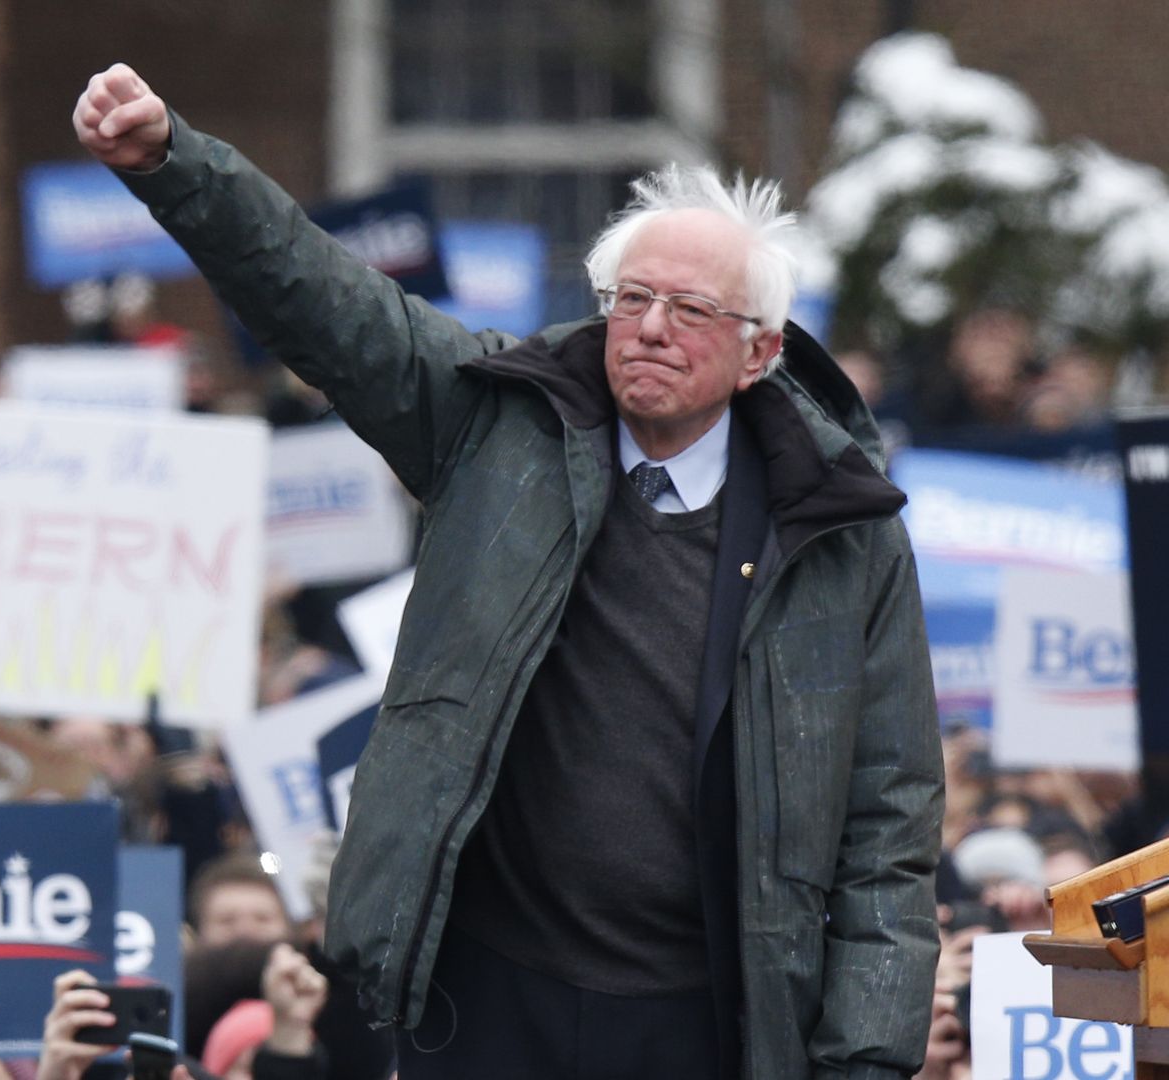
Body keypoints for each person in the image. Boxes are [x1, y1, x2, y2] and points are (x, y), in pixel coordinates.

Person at [73, 64, 942, 1079]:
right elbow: (325, 299)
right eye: (634, 298)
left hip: (708, 1017)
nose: (652, 327)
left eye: (690, 309)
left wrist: (865, 1063)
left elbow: (889, 829)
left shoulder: (842, 533)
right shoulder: (497, 425)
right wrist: (176, 163)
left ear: (759, 354)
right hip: (486, 995)